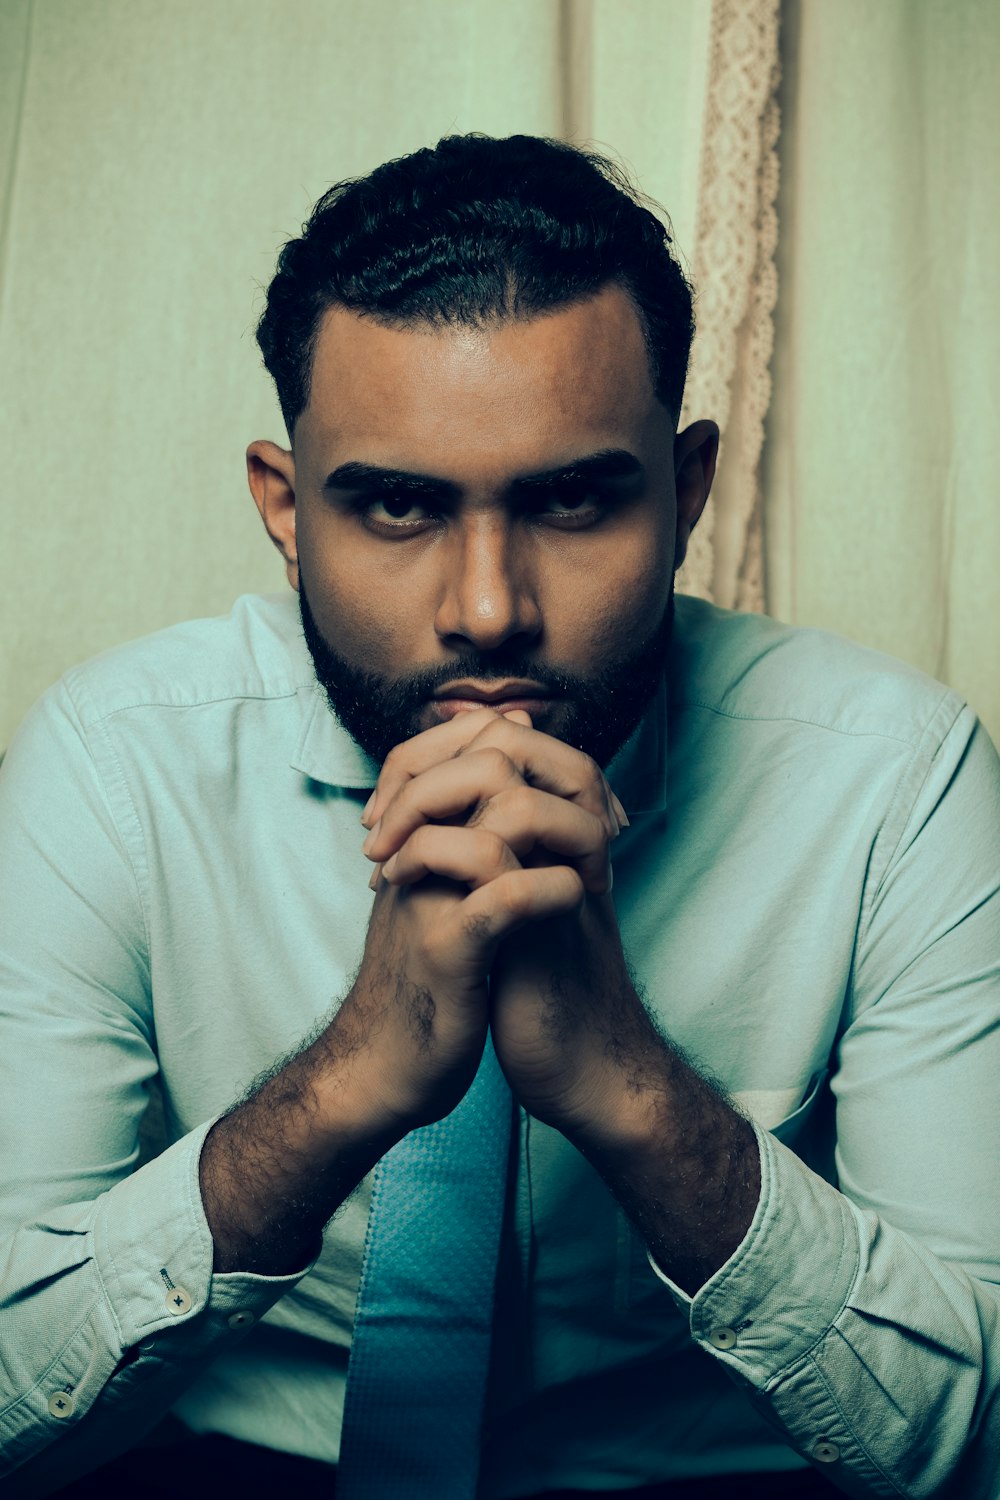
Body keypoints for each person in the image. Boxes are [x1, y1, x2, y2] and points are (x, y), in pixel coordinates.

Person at [0, 132, 997, 1500]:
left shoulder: (893, 777)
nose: (486, 610)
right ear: (287, 512)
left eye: (574, 499)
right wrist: (346, 1082)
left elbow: (977, 1436)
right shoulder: (116, 769)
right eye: (399, 505)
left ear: (686, 491)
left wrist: (631, 1091)